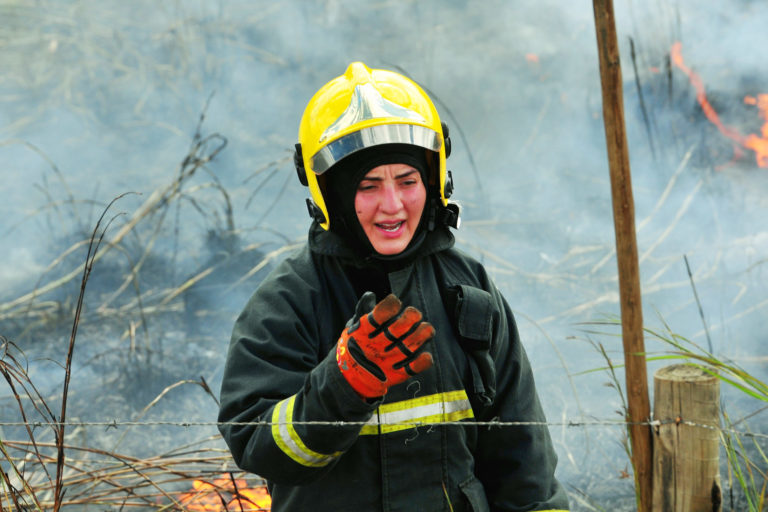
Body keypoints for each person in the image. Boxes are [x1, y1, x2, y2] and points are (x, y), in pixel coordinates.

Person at [218, 62, 570, 512]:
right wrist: (343, 386)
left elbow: (524, 463)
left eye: (408, 181)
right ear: (332, 196)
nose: (392, 205)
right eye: (368, 186)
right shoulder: (289, 301)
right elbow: (257, 447)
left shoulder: (470, 291)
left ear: (434, 182)